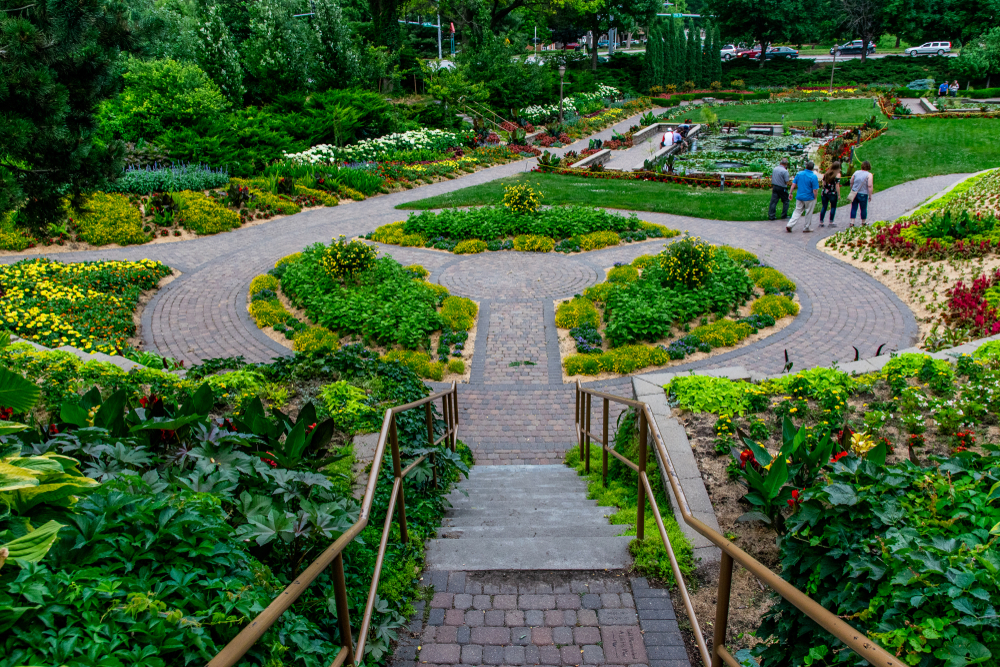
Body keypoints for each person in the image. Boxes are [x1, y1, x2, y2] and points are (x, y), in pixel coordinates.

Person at [786, 160, 819, 233]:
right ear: (813, 168)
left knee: (797, 211)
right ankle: (806, 227)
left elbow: (793, 184)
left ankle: (790, 224)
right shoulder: (813, 176)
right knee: (808, 212)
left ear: (806, 166)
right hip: (809, 197)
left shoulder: (799, 174)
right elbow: (815, 190)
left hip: (800, 196)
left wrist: (790, 193)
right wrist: (815, 197)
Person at [849, 160, 874, 227]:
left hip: (854, 193)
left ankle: (852, 222)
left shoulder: (856, 172)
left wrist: (852, 189)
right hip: (863, 194)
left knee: (853, 207)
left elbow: (851, 181)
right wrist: (870, 195)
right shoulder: (869, 175)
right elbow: (869, 186)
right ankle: (863, 222)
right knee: (863, 208)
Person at [818, 161, 842, 228]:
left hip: (825, 192)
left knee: (824, 207)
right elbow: (837, 185)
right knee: (833, 207)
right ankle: (831, 221)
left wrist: (824, 189)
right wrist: (839, 194)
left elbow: (823, 183)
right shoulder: (837, 174)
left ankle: (821, 222)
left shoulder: (826, 173)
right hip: (832, 193)